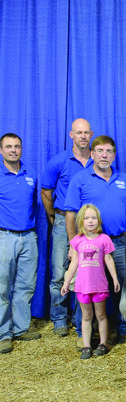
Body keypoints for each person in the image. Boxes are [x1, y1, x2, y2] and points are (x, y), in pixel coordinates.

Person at [64, 135, 126, 346]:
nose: (105, 155)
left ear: (114, 155)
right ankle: (83, 333)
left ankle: (124, 328)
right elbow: (71, 214)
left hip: (118, 243)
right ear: (92, 154)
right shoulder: (80, 179)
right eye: (100, 151)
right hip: (89, 245)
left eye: (109, 151)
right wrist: (73, 246)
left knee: (123, 285)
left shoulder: (124, 179)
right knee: (85, 287)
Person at [41, 118, 94, 337]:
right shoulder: (59, 161)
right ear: (71, 135)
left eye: (86, 132)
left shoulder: (97, 159)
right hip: (64, 221)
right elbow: (46, 192)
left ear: (91, 135)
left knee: (86, 272)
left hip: (89, 225)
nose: (83, 136)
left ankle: (81, 319)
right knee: (59, 272)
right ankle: (59, 319)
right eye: (78, 132)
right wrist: (54, 218)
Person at [61, 204, 120, 360]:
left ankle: (103, 343)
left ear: (98, 220)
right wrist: (66, 282)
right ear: (81, 221)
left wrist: (115, 278)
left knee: (101, 315)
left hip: (99, 285)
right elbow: (74, 263)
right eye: (87, 218)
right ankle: (86, 346)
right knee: (86, 316)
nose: (90, 221)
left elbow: (108, 259)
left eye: (93, 218)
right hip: (82, 286)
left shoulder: (104, 239)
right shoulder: (77, 240)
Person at [0, 133, 40, 354]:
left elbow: (33, 204)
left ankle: (21, 328)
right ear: (1, 150)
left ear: (22, 149)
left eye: (17, 146)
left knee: (26, 285)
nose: (13, 150)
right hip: (4, 236)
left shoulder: (30, 173)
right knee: (2, 287)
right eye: (8, 146)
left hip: (28, 236)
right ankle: (3, 334)